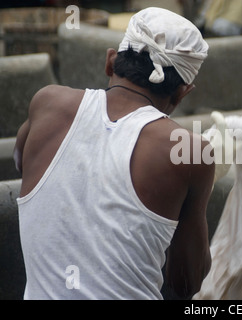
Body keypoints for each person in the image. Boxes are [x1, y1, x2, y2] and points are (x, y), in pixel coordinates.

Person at [13, 7, 214, 300]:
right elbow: (186, 285)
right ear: (183, 92)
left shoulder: (48, 103)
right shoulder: (188, 151)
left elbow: (22, 162)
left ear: (110, 62)